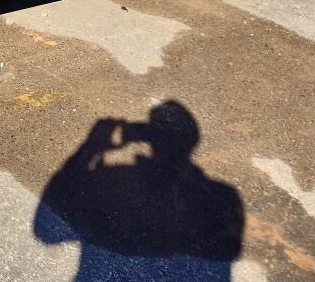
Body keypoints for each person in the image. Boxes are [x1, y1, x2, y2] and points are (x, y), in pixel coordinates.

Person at [34, 101, 243, 282]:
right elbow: (224, 249)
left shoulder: (115, 180)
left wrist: (92, 146)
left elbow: (46, 228)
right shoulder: (222, 196)